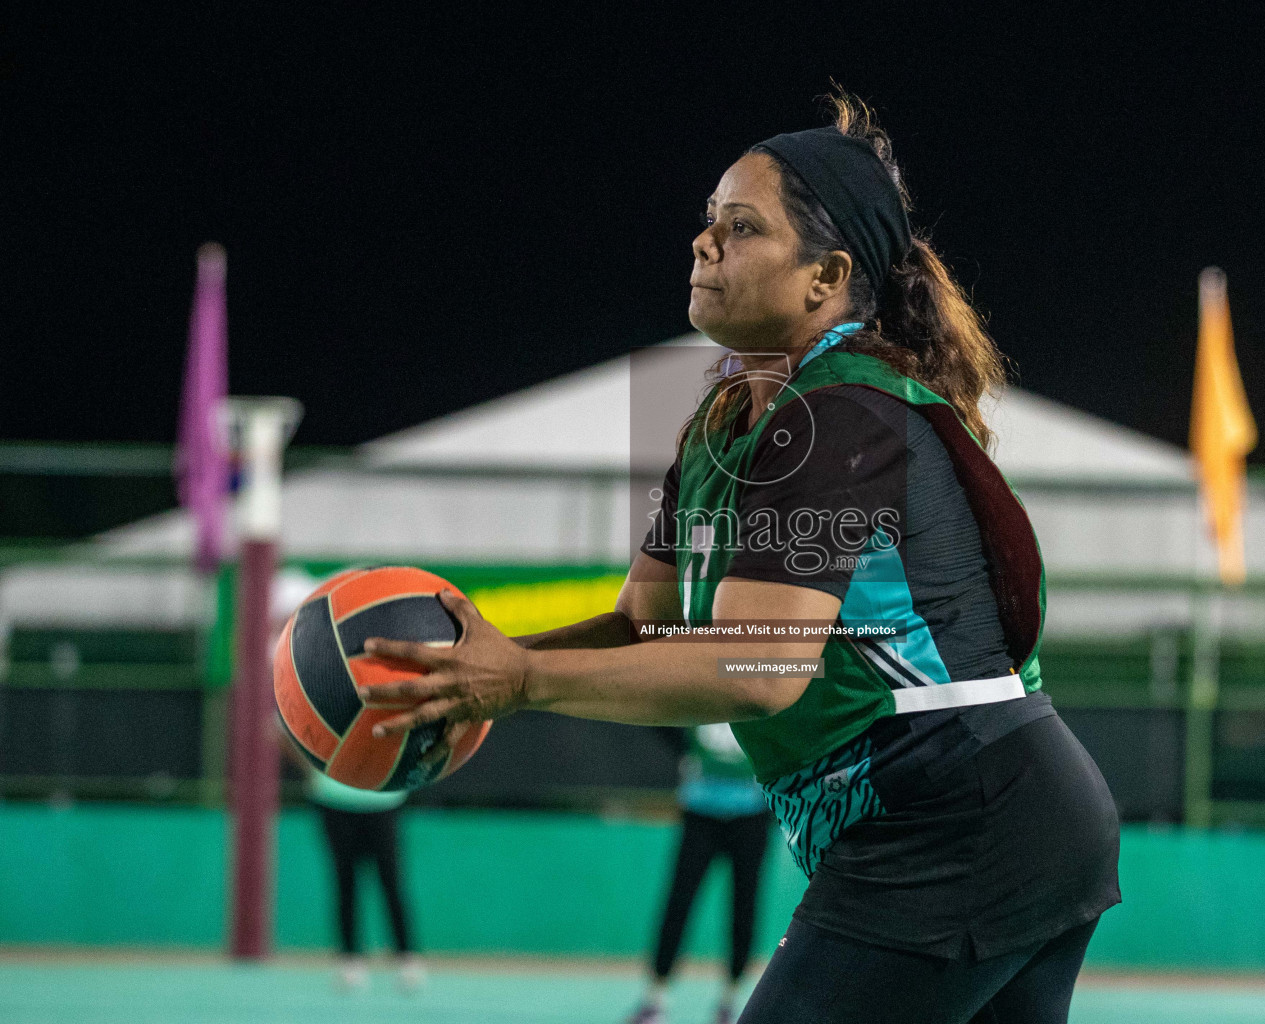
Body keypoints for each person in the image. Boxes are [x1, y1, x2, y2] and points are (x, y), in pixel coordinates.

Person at [361, 90, 1122, 1023]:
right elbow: (647, 625)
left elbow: (757, 668)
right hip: (988, 818)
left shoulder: (843, 413)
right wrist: (475, 675)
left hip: (961, 813)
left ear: (825, 275)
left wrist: (519, 679)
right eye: (708, 222)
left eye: (742, 227)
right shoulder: (722, 425)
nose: (703, 243)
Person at [271, 569, 424, 994]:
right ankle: (351, 960)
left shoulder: (384, 669)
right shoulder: (310, 671)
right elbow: (281, 731)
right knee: (345, 881)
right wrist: (315, 769)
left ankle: (407, 958)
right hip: (333, 797)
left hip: (382, 799)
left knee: (390, 880)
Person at [628, 725, 775, 1024]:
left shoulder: (765, 680)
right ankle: (655, 1001)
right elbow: (660, 709)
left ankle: (730, 1002)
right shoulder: (698, 687)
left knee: (744, 906)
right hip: (700, 810)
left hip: (751, 813)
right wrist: (684, 752)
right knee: (678, 903)